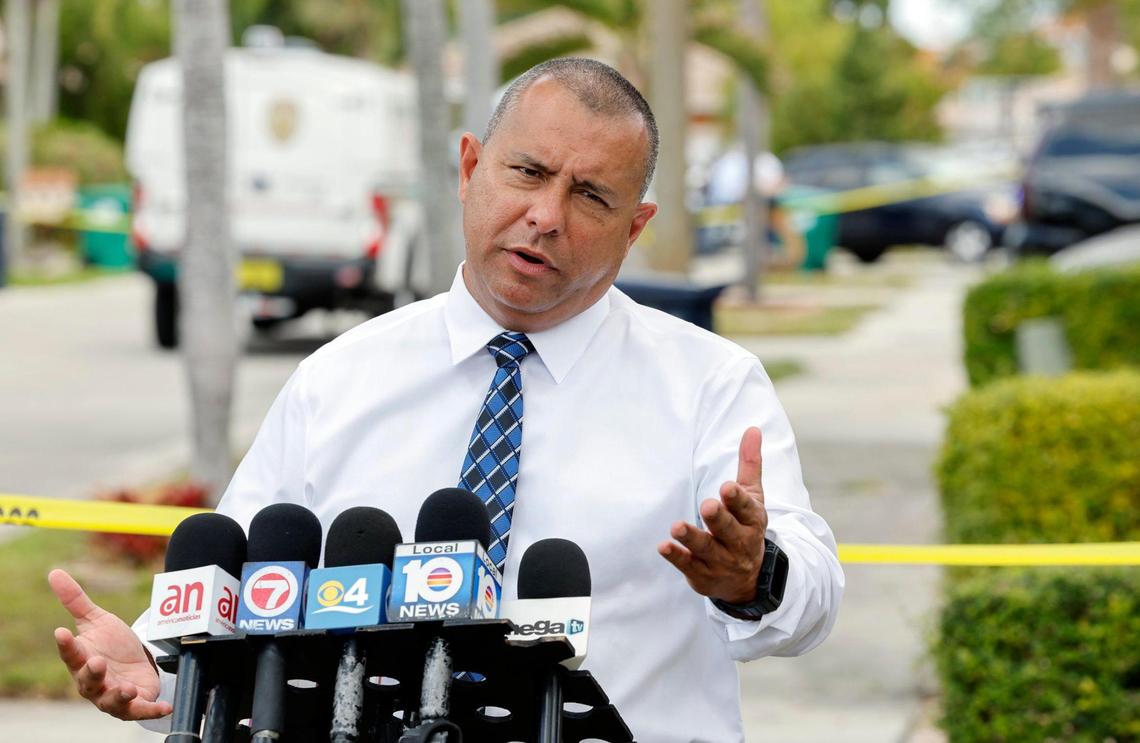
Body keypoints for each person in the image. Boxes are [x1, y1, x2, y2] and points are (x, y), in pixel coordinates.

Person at [49, 58, 843, 742]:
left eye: (591, 196)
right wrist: (152, 667)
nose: (546, 216)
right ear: (469, 169)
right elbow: (244, 587)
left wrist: (754, 574)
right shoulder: (342, 377)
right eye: (527, 173)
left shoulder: (710, 383)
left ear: (634, 228)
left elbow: (809, 599)